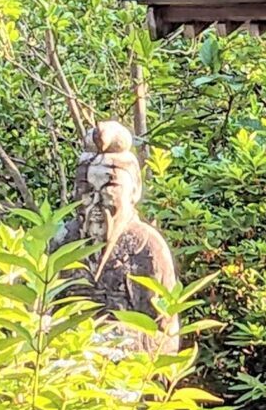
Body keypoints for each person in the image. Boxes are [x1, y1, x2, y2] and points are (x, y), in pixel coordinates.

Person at [54, 121, 178, 350]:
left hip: (126, 372)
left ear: (134, 189)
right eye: (87, 191)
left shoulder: (147, 247)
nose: (96, 202)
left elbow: (166, 336)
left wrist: (113, 338)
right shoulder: (63, 241)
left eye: (109, 189)